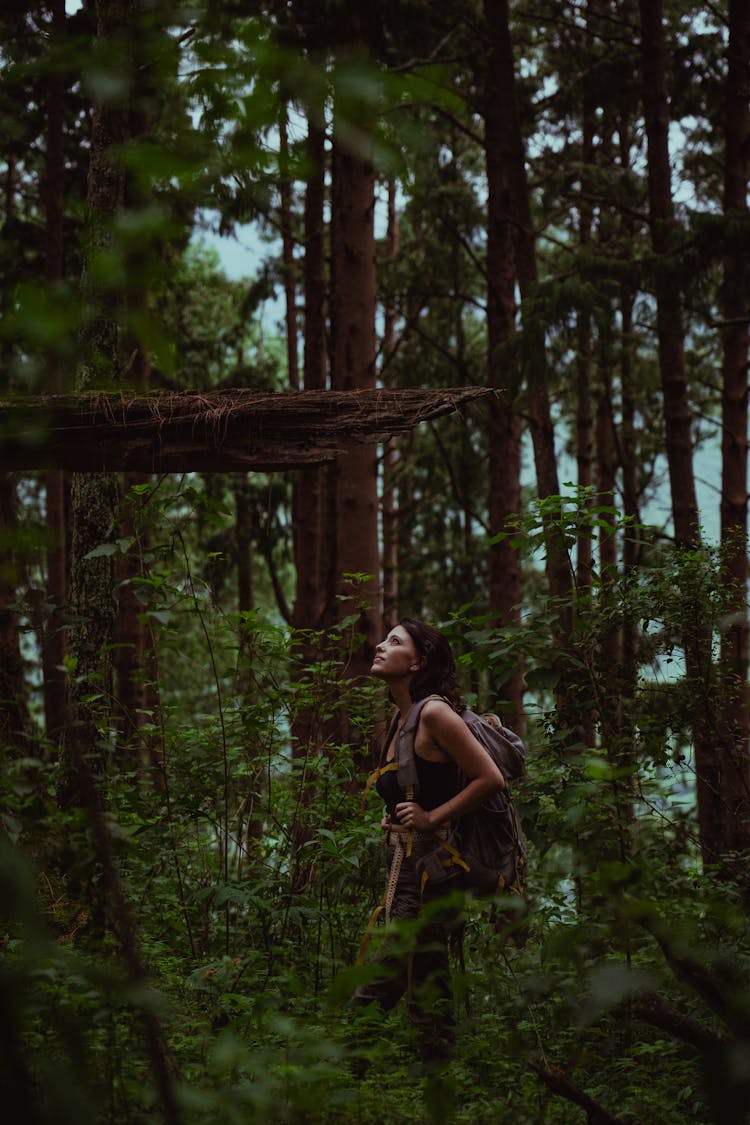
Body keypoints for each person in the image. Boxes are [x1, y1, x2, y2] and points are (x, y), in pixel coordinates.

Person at [352, 618, 505, 1062]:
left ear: (418, 662)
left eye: (394, 642)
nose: (379, 646)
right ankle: (440, 1077)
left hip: (434, 871)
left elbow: (490, 778)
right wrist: (398, 817)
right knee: (427, 980)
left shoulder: (434, 713)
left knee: (389, 971)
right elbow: (420, 785)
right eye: (383, 639)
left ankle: (333, 1071)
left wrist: (430, 816)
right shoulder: (401, 718)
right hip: (412, 867)